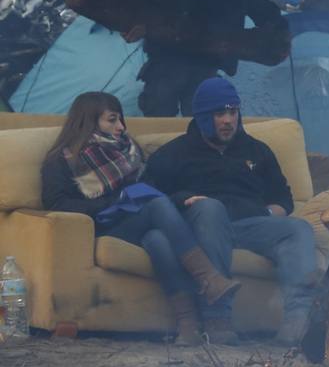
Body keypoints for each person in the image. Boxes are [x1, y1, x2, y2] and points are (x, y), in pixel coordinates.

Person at [144, 77, 329, 347]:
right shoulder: (174, 153)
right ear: (202, 117)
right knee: (211, 208)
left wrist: (272, 213)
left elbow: (283, 197)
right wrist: (185, 199)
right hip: (203, 228)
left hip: (250, 226)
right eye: (219, 113)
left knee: (298, 228)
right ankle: (217, 319)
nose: (228, 120)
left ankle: (298, 319)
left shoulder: (257, 151)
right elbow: (150, 195)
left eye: (233, 112)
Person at [40, 92, 240, 345]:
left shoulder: (129, 150)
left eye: (121, 119)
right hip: (106, 226)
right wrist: (116, 202)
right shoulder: (62, 160)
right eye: (112, 120)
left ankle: (187, 324)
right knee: (156, 205)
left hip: (140, 225)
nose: (121, 127)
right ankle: (209, 278)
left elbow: (153, 188)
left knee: (158, 239)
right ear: (89, 121)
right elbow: (56, 204)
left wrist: (179, 200)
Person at [127, 0, 286, 117]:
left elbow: (266, 13)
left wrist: (282, 31)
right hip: (167, 60)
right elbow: (143, 3)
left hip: (207, 65)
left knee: (204, 123)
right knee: (159, 121)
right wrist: (137, 25)